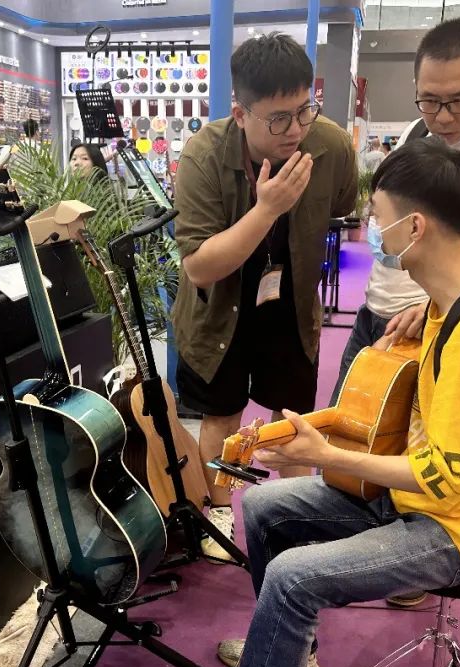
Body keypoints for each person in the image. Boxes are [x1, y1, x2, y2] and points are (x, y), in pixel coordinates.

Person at [168, 137, 460, 667]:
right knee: (265, 508)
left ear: (415, 228)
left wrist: (328, 456)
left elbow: (444, 479)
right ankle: (294, 651)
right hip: (413, 500)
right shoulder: (456, 293)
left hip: (456, 530)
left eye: (380, 219)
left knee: (291, 575)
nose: (372, 231)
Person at [330, 18, 460, 605]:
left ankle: (409, 566)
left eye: (458, 101)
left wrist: (430, 310)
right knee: (357, 443)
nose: (442, 116)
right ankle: (366, 555)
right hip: (382, 311)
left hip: (439, 326)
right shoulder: (416, 133)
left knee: (427, 453)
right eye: (429, 99)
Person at [171, 33, 356, 556]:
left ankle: (294, 515)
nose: (295, 129)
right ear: (241, 113)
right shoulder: (204, 154)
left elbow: (345, 207)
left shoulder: (330, 146)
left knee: (293, 418)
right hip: (219, 308)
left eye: (304, 111)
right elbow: (200, 267)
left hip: (292, 302)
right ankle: (222, 510)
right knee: (223, 415)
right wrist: (267, 209)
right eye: (278, 118)